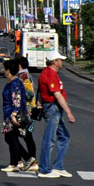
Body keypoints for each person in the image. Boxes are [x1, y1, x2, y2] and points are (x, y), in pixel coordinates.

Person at [36, 48, 76, 179]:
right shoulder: (50, 74)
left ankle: (58, 166)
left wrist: (39, 102)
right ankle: (44, 169)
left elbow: (41, 91)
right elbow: (57, 95)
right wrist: (69, 112)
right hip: (53, 108)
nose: (62, 62)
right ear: (54, 61)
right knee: (50, 139)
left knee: (64, 136)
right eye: (60, 60)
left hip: (53, 108)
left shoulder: (49, 73)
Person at [0, 60, 33, 172]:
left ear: (8, 71)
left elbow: (16, 99)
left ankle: (17, 162)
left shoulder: (15, 83)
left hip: (13, 115)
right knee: (10, 138)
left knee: (10, 137)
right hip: (9, 114)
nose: (3, 71)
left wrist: (13, 115)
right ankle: (21, 161)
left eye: (4, 69)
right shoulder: (13, 83)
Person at [15, 55, 38, 172]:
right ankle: (22, 161)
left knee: (18, 136)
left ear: (19, 65)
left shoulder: (23, 76)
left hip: (26, 112)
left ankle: (29, 160)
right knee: (25, 136)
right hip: (28, 111)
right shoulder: (24, 75)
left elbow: (29, 94)